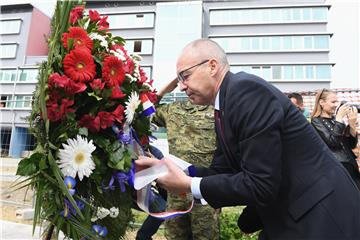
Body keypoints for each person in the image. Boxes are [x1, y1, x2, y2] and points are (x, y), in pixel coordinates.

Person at [136, 39, 360, 239]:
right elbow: (223, 170)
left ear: (212, 66)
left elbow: (261, 184)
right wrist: (172, 171)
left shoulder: (245, 92)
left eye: (185, 76)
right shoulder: (223, 105)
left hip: (320, 216)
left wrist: (188, 185)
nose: (182, 86)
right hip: (292, 214)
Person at [152, 79, 220, 240]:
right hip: (176, 191)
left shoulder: (218, 111)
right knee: (175, 236)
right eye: (185, 79)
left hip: (205, 191)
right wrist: (170, 84)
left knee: (206, 236)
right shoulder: (173, 109)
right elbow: (147, 109)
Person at [311, 88, 360, 190]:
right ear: (321, 102)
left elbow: (351, 144)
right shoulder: (316, 121)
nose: (336, 105)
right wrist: (339, 119)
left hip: (350, 166)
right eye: (333, 102)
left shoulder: (335, 120)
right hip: (336, 168)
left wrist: (352, 125)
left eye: (337, 101)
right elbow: (333, 142)